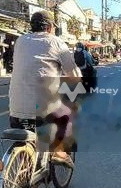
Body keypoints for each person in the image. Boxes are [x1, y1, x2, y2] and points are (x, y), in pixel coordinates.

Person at [8, 10, 82, 166]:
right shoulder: (55, 42)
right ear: (49, 27)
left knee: (27, 154)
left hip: (16, 110)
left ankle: (26, 177)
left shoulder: (20, 41)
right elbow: (74, 73)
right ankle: (58, 152)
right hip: (43, 110)